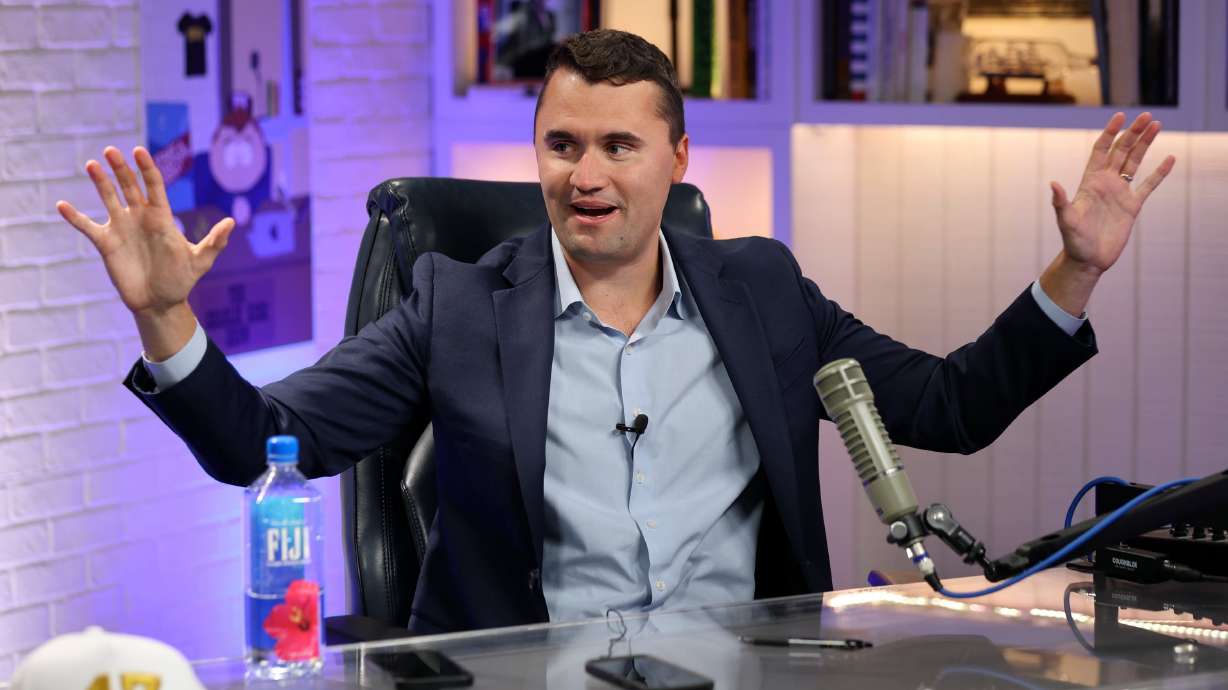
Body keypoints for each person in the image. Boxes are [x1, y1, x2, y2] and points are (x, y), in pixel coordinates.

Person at [56, 30, 1174, 634]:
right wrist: (166, 316)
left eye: (618, 148)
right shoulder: (453, 301)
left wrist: (1075, 267)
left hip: (753, 670)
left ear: (677, 160)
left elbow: (952, 406)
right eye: (560, 145)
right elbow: (262, 442)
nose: (584, 177)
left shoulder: (765, 292)